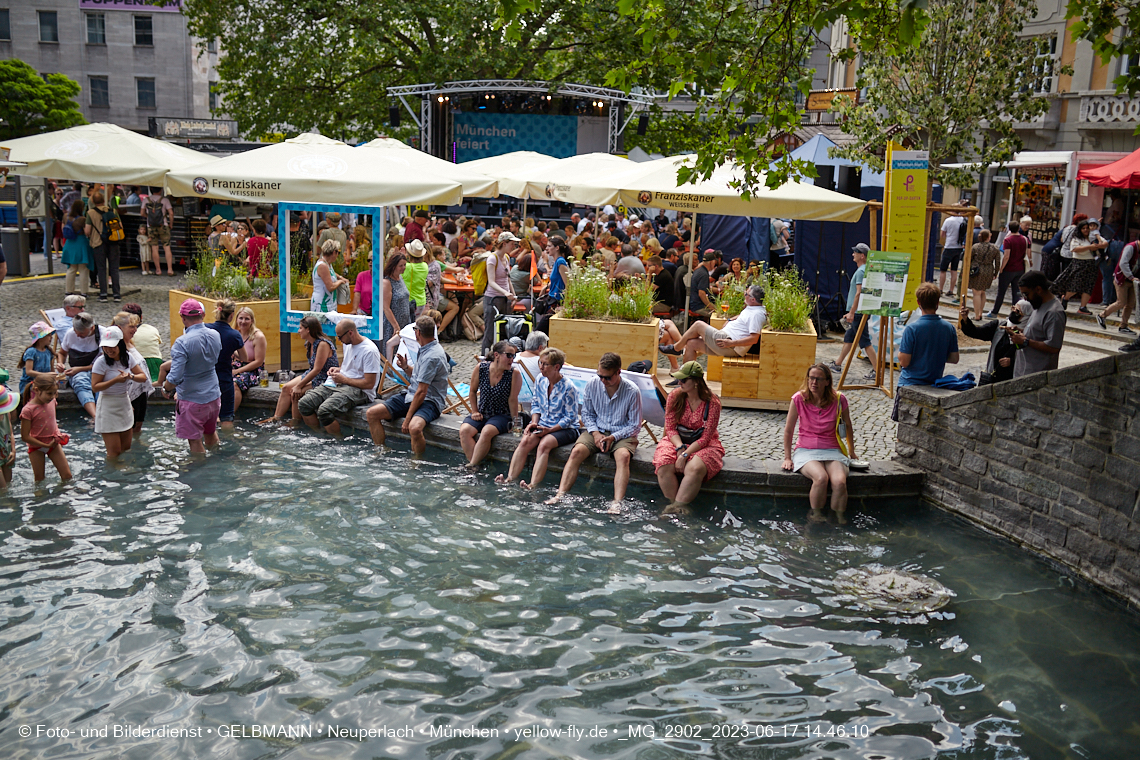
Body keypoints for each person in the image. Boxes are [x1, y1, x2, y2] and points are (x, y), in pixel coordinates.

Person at [546, 352, 642, 511]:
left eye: (607, 377)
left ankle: (617, 502)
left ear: (618, 372)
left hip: (622, 433)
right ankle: (560, 494)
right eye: (600, 376)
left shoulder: (632, 391)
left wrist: (613, 437)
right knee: (576, 452)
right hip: (597, 429)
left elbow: (635, 425)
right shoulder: (592, 385)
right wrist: (596, 433)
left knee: (623, 457)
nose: (603, 381)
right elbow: (587, 414)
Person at [497, 347, 580, 490]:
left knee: (544, 445)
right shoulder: (540, 380)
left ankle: (532, 485)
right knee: (525, 440)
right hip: (544, 424)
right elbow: (536, 405)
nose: (541, 367)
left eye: (545, 364)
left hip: (566, 428)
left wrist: (549, 430)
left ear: (557, 367)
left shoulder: (569, 387)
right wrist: (534, 423)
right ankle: (510, 479)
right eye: (540, 363)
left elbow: (570, 417)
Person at [781, 364, 855, 523]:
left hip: (832, 449)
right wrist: (788, 458)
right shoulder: (799, 399)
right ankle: (815, 514)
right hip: (806, 449)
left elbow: (847, 425)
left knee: (840, 481)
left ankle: (838, 517)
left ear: (827, 382)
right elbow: (789, 430)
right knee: (821, 478)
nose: (814, 382)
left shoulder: (839, 399)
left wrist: (852, 451)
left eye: (818, 379)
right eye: (811, 378)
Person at [368, 314, 450, 456]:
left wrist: (407, 419)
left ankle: (417, 462)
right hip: (412, 395)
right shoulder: (424, 348)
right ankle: (380, 451)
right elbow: (419, 377)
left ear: (417, 332)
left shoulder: (432, 356)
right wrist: (406, 367)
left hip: (430, 401)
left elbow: (422, 392)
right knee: (372, 414)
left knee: (414, 428)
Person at [654, 361, 725, 516]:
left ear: (696, 382)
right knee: (663, 464)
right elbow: (670, 428)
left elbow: (706, 437)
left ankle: (675, 507)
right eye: (679, 379)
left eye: (684, 380)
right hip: (677, 440)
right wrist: (680, 448)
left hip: (704, 444)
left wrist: (685, 455)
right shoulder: (675, 396)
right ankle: (675, 506)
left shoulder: (712, 402)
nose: (680, 383)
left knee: (694, 468)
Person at [299, 320, 380, 437]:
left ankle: (338, 441)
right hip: (339, 383)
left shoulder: (369, 351)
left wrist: (343, 379)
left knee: (324, 411)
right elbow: (350, 366)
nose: (338, 340)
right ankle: (318, 435)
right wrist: (338, 369)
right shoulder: (348, 344)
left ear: (350, 333)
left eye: (340, 336)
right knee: (304, 403)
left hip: (360, 391)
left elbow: (369, 384)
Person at [163, 299, 223, 454]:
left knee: (195, 441)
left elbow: (175, 377)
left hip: (192, 400)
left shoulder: (181, 343)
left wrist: (166, 388)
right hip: (214, 396)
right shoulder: (215, 335)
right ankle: (216, 463)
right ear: (202, 314)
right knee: (211, 433)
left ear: (182, 317)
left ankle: (200, 474)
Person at [893, 282, 960, 421]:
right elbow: (954, 358)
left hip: (909, 383)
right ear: (937, 302)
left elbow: (904, 362)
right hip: (934, 383)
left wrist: (899, 353)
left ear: (918, 302)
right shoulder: (949, 328)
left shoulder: (912, 329)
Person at [661, 284, 767, 364]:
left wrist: (732, 343)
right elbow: (743, 316)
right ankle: (685, 378)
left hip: (730, 344)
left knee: (698, 324)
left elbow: (754, 339)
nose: (744, 295)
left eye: (746, 294)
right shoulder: (752, 308)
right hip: (726, 340)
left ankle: (676, 348)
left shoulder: (757, 315)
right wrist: (730, 320)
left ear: (753, 299)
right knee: (691, 343)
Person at [460, 340, 521, 469]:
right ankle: (477, 467)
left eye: (514, 356)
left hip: (502, 414)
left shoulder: (514, 374)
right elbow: (472, 391)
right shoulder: (481, 368)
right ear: (497, 355)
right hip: (483, 411)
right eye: (509, 355)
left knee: (487, 432)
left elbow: (513, 400)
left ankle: (471, 466)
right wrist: (475, 411)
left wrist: (515, 422)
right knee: (464, 431)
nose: (512, 359)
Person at [267, 315, 338, 423]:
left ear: (308, 329)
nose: (298, 331)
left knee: (295, 392)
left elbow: (317, 369)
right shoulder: (310, 343)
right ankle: (276, 418)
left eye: (300, 328)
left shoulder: (323, 344)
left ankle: (295, 422)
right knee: (286, 388)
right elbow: (312, 369)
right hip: (312, 373)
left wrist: (299, 386)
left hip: (325, 377)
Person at [91, 326, 147, 459]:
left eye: (112, 346)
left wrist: (130, 376)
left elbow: (142, 377)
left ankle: (123, 474)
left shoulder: (127, 357)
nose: (109, 350)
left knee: (126, 448)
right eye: (106, 346)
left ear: (120, 344)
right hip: (108, 405)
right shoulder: (100, 362)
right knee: (114, 452)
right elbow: (95, 387)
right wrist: (115, 380)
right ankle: (113, 476)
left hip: (124, 403)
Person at [828, 244, 878, 379]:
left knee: (865, 342)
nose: (852, 254)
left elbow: (859, 293)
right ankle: (837, 364)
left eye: (855, 252)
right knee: (848, 338)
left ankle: (877, 371)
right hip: (858, 312)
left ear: (862, 255)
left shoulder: (861, 271)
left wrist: (851, 312)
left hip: (858, 313)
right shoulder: (863, 269)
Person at [959, 300, 1030, 385]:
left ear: (1026, 316)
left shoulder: (1029, 334)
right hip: (994, 379)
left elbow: (1031, 358)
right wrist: (966, 319)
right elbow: (976, 332)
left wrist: (1013, 361)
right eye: (1013, 308)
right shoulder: (999, 326)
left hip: (1015, 381)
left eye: (1018, 311)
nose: (1014, 312)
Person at [1010, 270, 1065, 377]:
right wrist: (1021, 332)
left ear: (1038, 289)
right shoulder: (1038, 304)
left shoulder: (1054, 312)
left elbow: (1054, 347)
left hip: (1037, 376)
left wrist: (1025, 341)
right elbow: (1037, 332)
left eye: (1026, 294)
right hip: (1023, 372)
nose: (1025, 299)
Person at [20, 376, 72, 482]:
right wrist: (45, 445)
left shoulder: (52, 401)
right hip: (36, 447)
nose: (52, 396)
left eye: (54, 393)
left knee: (67, 476)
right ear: (37, 390)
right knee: (39, 479)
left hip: (53, 443)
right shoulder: (28, 410)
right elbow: (25, 437)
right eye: (49, 393)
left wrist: (56, 434)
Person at [111, 311, 153, 438]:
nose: (135, 330)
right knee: (128, 428)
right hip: (129, 393)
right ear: (119, 328)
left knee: (138, 425)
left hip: (140, 391)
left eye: (136, 326)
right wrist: (125, 401)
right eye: (131, 327)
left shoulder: (129, 342)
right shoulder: (116, 347)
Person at [205, 299, 246, 427]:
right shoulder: (234, 335)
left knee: (205, 416)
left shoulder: (205, 328)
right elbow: (244, 357)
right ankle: (229, 444)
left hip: (206, 378)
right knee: (226, 417)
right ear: (232, 315)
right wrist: (232, 349)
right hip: (224, 379)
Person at [1052, 218, 1107, 315]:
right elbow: (1074, 249)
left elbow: (1105, 243)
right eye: (1083, 228)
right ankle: (1066, 298)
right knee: (1076, 285)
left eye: (1087, 228)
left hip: (1091, 264)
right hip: (1079, 263)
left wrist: (1098, 246)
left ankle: (1083, 307)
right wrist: (1090, 247)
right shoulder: (1076, 238)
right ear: (1080, 229)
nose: (1086, 230)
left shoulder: (1093, 236)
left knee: (1088, 287)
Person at [56, 312, 101, 418]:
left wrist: (80, 369)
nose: (77, 335)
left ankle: (101, 413)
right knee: (80, 382)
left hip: (99, 370)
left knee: (101, 387)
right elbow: (62, 353)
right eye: (76, 331)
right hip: (78, 372)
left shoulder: (102, 334)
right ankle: (95, 416)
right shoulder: (71, 333)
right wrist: (60, 363)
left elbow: (105, 362)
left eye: (81, 333)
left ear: (92, 328)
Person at [483, 232, 520, 355]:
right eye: (512, 244)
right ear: (504, 243)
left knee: (505, 330)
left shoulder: (507, 258)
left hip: (505, 298)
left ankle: (503, 358)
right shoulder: (493, 258)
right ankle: (485, 358)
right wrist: (505, 292)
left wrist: (513, 295)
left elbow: (507, 279)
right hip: (493, 298)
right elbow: (491, 281)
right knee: (490, 332)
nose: (514, 246)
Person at [84, 191, 121, 303]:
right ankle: (116, 294)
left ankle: (103, 294)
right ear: (104, 200)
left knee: (101, 268)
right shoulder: (113, 211)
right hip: (113, 242)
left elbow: (87, 230)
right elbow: (120, 226)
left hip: (97, 243)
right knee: (114, 269)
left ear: (93, 202)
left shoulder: (90, 213)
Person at [989, 221, 1030, 317]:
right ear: (1019, 228)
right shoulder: (1024, 239)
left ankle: (995, 312)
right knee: (1016, 293)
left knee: (1001, 292)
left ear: (1009, 229)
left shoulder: (1008, 240)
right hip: (1020, 268)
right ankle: (1015, 313)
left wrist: (1001, 268)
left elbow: (1006, 256)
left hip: (1009, 269)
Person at [1098, 237, 1138, 334]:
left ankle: (1123, 326)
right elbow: (1123, 263)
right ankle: (1102, 315)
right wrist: (1131, 276)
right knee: (1121, 302)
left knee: (1130, 304)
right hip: (1122, 278)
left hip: (1134, 280)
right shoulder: (1131, 247)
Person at [232, 306, 268, 411]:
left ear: (252, 320)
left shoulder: (258, 336)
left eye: (247, 319)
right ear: (236, 319)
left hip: (254, 370)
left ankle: (229, 416)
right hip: (236, 365)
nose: (243, 321)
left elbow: (258, 361)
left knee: (234, 384)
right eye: (241, 318)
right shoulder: (235, 333)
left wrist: (237, 371)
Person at [122, 302, 164, 382]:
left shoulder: (123, 333)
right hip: (155, 366)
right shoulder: (152, 329)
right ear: (141, 317)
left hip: (135, 368)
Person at [382, 253, 412, 358]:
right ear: (393, 266)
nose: (403, 268)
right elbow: (386, 307)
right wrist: (396, 326)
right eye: (401, 265)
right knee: (392, 350)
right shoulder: (386, 282)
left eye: (405, 265)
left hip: (404, 321)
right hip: (392, 324)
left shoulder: (400, 278)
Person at [967, 229, 1001, 320]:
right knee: (982, 292)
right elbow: (997, 262)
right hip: (988, 270)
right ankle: (981, 312)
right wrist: (996, 272)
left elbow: (968, 259)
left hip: (977, 270)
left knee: (976, 293)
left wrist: (965, 271)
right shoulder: (995, 248)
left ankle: (977, 315)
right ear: (989, 237)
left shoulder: (975, 247)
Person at [62, 200, 93, 296]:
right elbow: (87, 232)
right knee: (83, 269)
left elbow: (63, 229)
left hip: (69, 244)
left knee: (71, 269)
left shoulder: (65, 216)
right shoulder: (83, 219)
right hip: (81, 243)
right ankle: (84, 291)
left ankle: (69, 290)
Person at [21, 322, 57, 400]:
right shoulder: (31, 352)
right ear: (41, 337)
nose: (51, 337)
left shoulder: (48, 352)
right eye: (48, 335)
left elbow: (51, 370)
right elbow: (29, 371)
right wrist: (45, 375)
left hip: (45, 384)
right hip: (30, 384)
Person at [311, 239, 348, 313]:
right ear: (334, 252)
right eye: (338, 252)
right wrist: (340, 281)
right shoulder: (323, 266)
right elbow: (330, 287)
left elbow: (331, 273)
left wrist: (340, 277)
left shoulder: (327, 264)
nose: (338, 255)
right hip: (322, 304)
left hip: (330, 303)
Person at [938, 212, 969, 299]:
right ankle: (951, 290)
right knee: (954, 269)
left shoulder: (948, 220)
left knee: (943, 270)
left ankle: (940, 289)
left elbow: (942, 235)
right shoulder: (963, 220)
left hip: (949, 246)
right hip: (958, 247)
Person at [144, 189, 175, 276]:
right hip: (163, 225)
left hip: (151, 227)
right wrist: (171, 224)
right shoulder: (165, 200)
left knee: (154, 248)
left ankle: (158, 270)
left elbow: (142, 213)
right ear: (161, 190)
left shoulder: (146, 200)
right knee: (167, 247)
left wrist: (148, 217)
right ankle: (170, 270)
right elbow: (171, 213)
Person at [403, 239, 430, 315]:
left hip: (410, 302)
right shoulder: (425, 266)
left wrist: (401, 258)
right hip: (421, 301)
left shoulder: (408, 267)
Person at [687, 250, 717, 319]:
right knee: (719, 314)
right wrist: (711, 307)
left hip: (694, 304)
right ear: (711, 262)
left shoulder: (699, 271)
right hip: (699, 307)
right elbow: (701, 293)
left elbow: (705, 288)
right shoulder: (704, 274)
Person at [0, 378, 18, 489]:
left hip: (6, 454)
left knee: (9, 484)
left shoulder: (6, 415)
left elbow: (10, 432)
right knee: (3, 490)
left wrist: (13, 449)